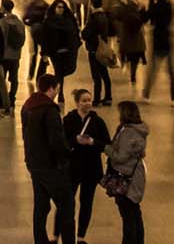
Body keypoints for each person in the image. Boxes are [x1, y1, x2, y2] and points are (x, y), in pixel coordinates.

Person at [22, 72, 76, 244]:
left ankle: (40, 240)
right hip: (50, 165)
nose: (57, 92)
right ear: (51, 88)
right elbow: (56, 140)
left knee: (41, 205)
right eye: (57, 89)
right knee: (66, 204)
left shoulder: (28, 105)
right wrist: (68, 154)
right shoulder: (49, 110)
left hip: (33, 162)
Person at [64, 88, 114, 242]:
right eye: (84, 101)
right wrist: (75, 140)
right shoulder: (69, 119)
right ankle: (62, 233)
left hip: (91, 169)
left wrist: (93, 142)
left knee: (87, 203)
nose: (87, 104)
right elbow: (62, 141)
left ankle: (81, 237)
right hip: (72, 168)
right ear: (77, 103)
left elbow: (107, 144)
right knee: (67, 203)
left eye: (89, 100)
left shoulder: (98, 121)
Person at [105, 101, 149, 244]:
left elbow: (120, 157)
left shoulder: (128, 132)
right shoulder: (138, 130)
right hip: (135, 176)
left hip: (126, 179)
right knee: (134, 212)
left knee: (128, 216)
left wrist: (106, 149)